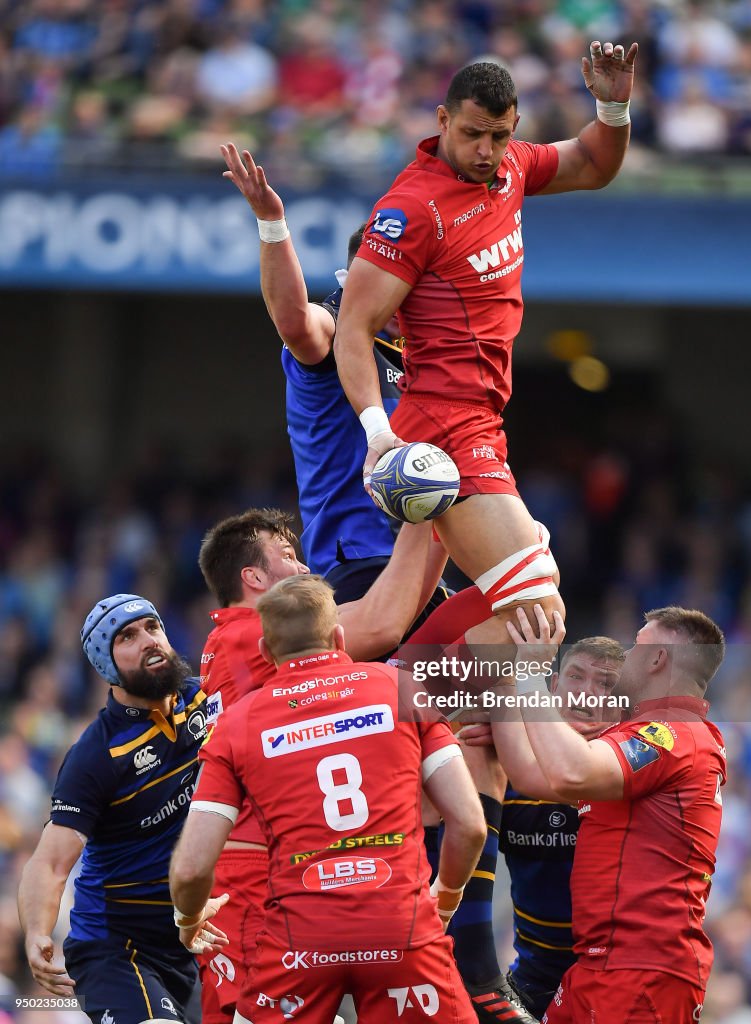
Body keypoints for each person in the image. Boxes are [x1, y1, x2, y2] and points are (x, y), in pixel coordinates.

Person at [334, 46, 638, 644]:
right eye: (472, 134)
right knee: (536, 614)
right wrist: (377, 432)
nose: (484, 151)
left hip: (481, 420)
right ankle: (413, 713)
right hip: (445, 428)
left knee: (386, 624)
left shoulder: (512, 168)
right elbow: (352, 326)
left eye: (498, 136)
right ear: (443, 120)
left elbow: (594, 164)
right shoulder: (410, 209)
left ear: (514, 128)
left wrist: (613, 104)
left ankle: (351, 690)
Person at [169, 574, 487, 1024]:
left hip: (300, 941)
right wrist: (447, 897)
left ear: (266, 652)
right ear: (339, 636)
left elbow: (192, 867)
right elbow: (470, 824)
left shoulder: (238, 724)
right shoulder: (400, 687)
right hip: (402, 926)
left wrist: (188, 920)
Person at [464, 605, 726, 1023]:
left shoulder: (670, 734)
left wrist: (529, 677)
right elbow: (535, 773)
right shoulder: (644, 737)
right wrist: (503, 711)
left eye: (637, 645)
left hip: (639, 970)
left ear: (657, 657)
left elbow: (570, 771)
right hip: (598, 968)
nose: (629, 654)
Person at [220, 142, 450, 612]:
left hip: (421, 558)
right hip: (359, 561)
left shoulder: (421, 352)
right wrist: (272, 223)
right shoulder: (334, 329)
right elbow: (294, 323)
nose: (403, 296)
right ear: (355, 280)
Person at [17, 594, 223, 1024]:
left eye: (152, 627)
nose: (148, 640)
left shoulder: (208, 695)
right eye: (127, 636)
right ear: (105, 665)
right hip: (118, 948)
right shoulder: (94, 754)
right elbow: (50, 863)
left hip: (197, 935)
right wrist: (37, 932)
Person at [461, 637, 625, 1019]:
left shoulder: (631, 764)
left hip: (611, 976)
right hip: (533, 977)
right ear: (552, 687)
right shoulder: (507, 765)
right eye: (575, 676)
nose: (586, 692)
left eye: (605, 684)